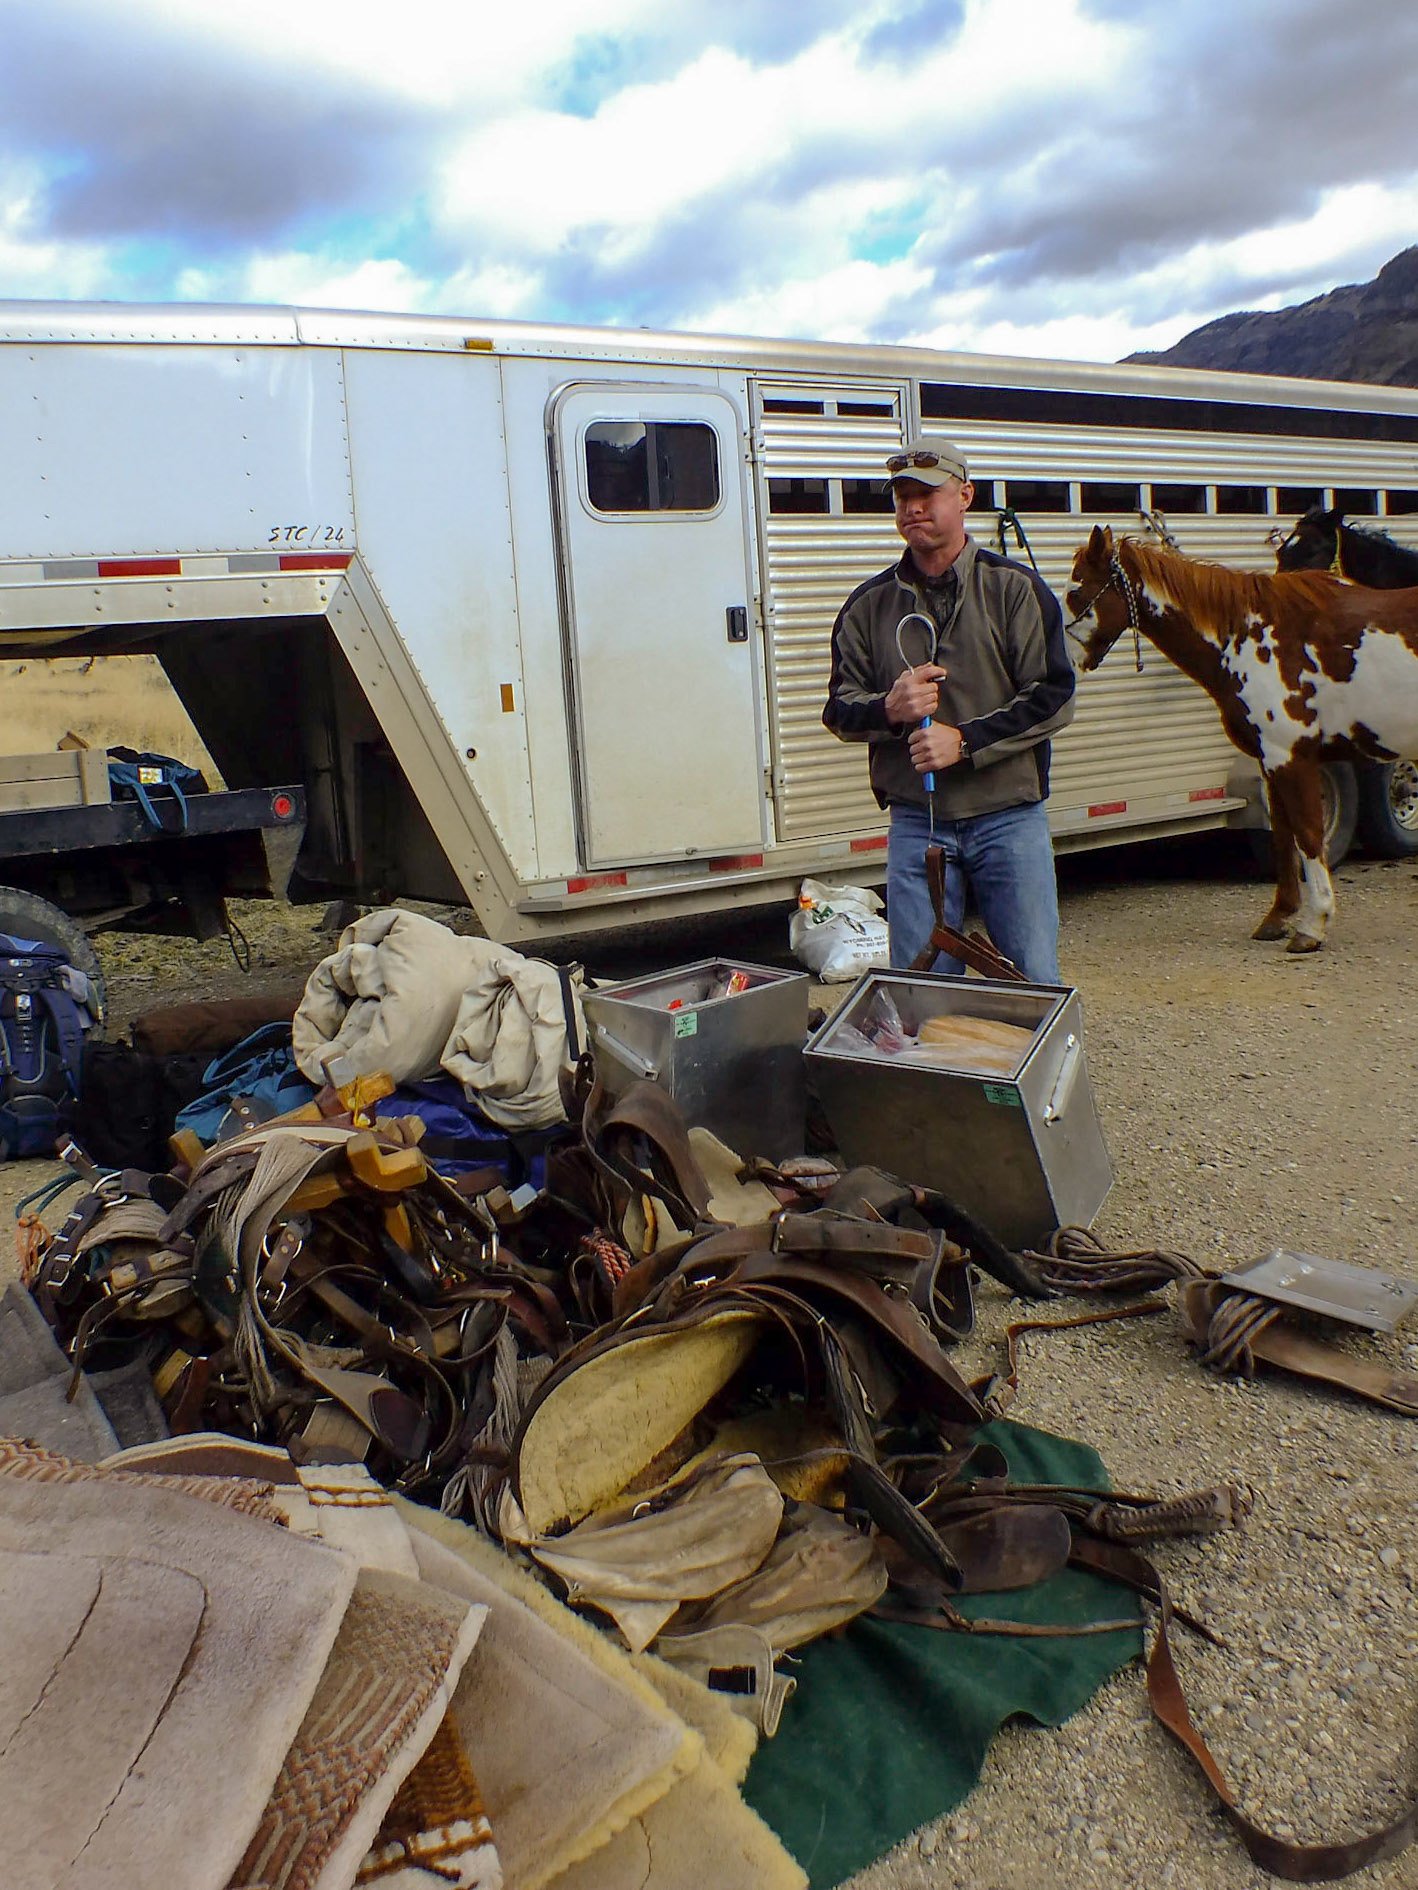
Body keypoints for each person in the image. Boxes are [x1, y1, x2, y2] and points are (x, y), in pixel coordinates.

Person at [822, 436, 1075, 982]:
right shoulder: (868, 607)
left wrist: (965, 742)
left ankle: (1045, 1067)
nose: (912, 507)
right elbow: (840, 709)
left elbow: (1054, 695)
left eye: (927, 494)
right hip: (918, 825)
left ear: (965, 496)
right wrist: (890, 708)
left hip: (1009, 818)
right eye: (902, 496)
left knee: (1031, 979)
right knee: (921, 988)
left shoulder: (1015, 591)